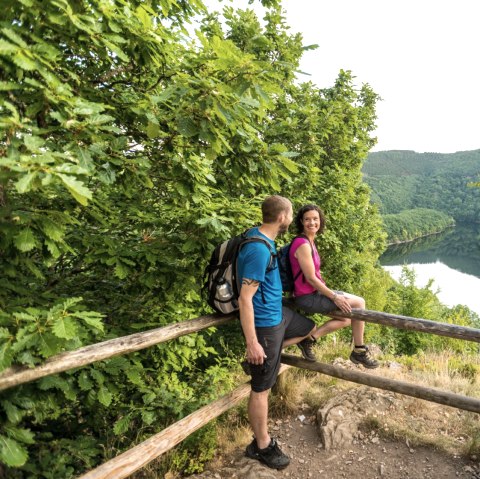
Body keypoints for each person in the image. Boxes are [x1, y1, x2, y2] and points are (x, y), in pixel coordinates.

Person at [237, 195, 317, 470]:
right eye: (291, 214)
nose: (291, 218)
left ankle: (266, 355)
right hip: (265, 324)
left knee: (308, 328)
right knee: (261, 390)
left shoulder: (260, 238)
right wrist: (253, 343)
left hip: (279, 315)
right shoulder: (259, 249)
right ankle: (261, 446)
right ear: (282, 217)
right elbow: (245, 299)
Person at [291, 204, 379, 369]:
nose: (312, 223)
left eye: (315, 219)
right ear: (301, 222)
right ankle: (359, 351)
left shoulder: (309, 241)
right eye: (307, 219)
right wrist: (335, 296)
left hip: (315, 292)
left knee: (346, 318)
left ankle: (309, 340)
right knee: (359, 304)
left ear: (320, 221)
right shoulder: (302, 244)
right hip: (307, 296)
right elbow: (310, 278)